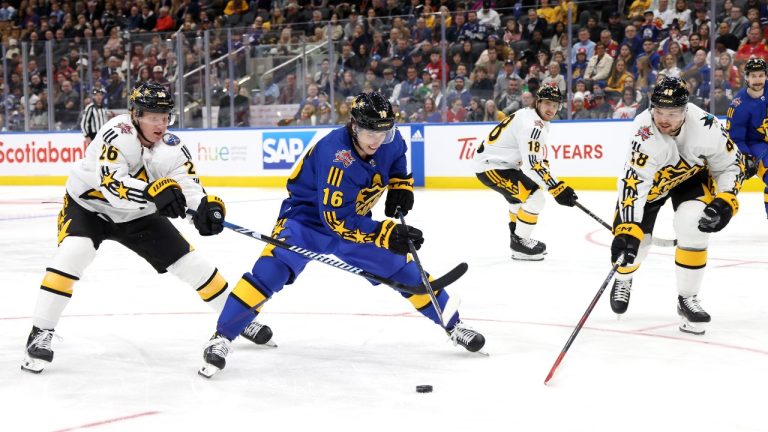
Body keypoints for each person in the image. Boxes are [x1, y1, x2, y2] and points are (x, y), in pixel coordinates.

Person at [198, 92, 486, 378]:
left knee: (403, 270)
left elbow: (397, 156)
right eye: (370, 131)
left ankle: (454, 324)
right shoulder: (337, 157)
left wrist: (400, 186)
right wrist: (385, 233)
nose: (377, 139)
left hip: (353, 219)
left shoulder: (391, 139)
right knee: (270, 272)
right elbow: (336, 221)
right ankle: (221, 337)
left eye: (383, 131)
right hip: (306, 223)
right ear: (354, 126)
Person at [21, 82, 272, 374]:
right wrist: (154, 192)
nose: (161, 124)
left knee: (195, 266)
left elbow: (188, 187)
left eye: (165, 116)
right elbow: (112, 186)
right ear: (135, 114)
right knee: (74, 253)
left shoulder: (173, 148)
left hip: (138, 215)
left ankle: (238, 319)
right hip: (90, 207)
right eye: (153, 116)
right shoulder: (116, 133)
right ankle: (40, 333)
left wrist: (205, 209)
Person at [609, 77, 745, 335]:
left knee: (694, 224)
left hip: (689, 179)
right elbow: (634, 181)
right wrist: (627, 227)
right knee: (635, 247)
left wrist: (727, 198)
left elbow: (731, 164)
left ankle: (687, 299)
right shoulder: (643, 131)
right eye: (659, 111)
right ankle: (624, 277)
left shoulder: (706, 126)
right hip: (651, 187)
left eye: (672, 113)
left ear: (686, 110)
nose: (663, 119)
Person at [473, 86, 579, 261]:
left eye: (555, 105)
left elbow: (538, 158)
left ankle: (518, 241)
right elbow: (532, 165)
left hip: (501, 165)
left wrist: (552, 183)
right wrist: (557, 188)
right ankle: (520, 243)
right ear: (538, 102)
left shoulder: (534, 117)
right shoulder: (533, 126)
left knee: (518, 199)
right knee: (536, 198)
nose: (551, 109)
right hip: (492, 167)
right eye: (547, 103)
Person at [726, 57, 768, 218]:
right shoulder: (738, 105)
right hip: (757, 145)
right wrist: (746, 155)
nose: (757, 80)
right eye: (753, 76)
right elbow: (735, 137)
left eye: (760, 75)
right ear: (746, 77)